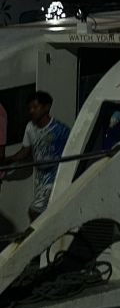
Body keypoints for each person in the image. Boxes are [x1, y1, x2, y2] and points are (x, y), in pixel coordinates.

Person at [0, 90, 71, 221]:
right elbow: (25, 151)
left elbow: (73, 150)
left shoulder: (61, 130)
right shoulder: (30, 128)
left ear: (46, 107)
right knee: (47, 216)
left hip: (55, 179)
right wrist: (9, 159)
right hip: (40, 180)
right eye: (29, 108)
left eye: (35, 107)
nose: (31, 111)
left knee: (34, 211)